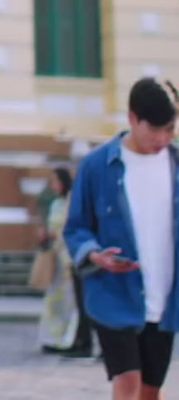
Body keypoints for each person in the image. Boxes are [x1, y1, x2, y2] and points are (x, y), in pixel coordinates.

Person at [65, 78, 179, 400]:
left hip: (165, 295)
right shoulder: (96, 166)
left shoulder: (176, 164)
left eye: (169, 129)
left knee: (150, 389)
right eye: (153, 129)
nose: (162, 138)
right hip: (115, 293)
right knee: (127, 381)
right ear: (132, 119)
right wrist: (95, 255)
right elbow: (75, 227)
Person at [39, 165, 92, 357]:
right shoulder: (56, 204)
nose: (53, 185)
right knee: (57, 301)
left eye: (56, 180)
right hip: (57, 259)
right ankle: (55, 338)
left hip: (70, 256)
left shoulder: (74, 201)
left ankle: (75, 339)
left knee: (74, 302)